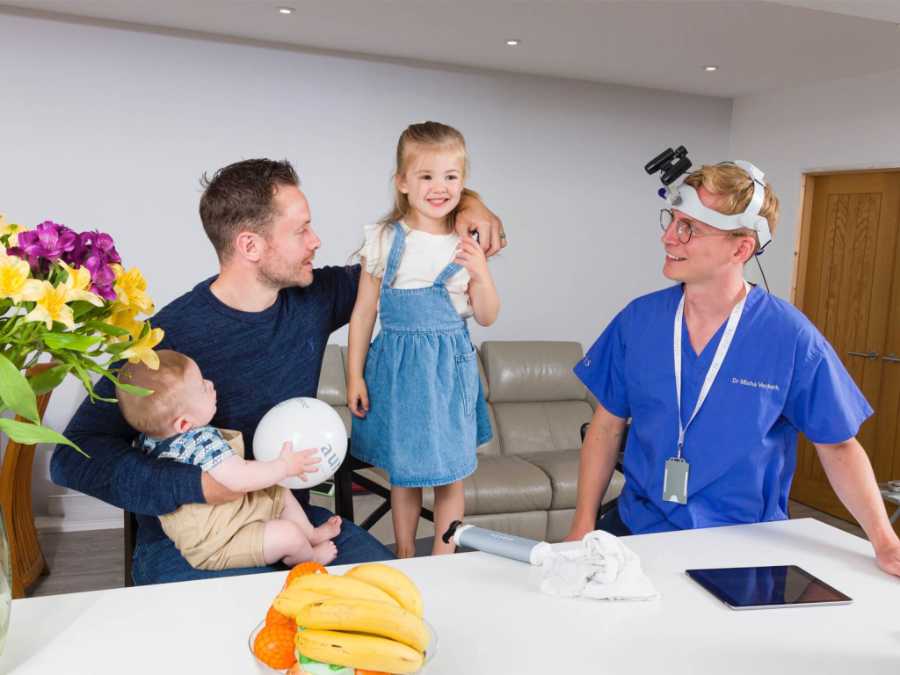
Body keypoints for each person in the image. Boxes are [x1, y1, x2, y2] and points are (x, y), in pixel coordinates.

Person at [51, 157, 506, 584]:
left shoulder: (314, 298)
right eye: (301, 229)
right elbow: (74, 456)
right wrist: (199, 485)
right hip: (195, 541)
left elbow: (405, 262)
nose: (316, 241)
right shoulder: (166, 337)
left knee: (398, 599)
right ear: (250, 245)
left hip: (292, 525)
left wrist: (469, 204)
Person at [565, 160, 900, 578]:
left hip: (744, 547)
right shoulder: (638, 321)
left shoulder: (789, 337)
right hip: (638, 534)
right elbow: (606, 427)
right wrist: (583, 524)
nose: (669, 237)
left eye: (690, 228)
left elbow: (838, 447)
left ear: (741, 249)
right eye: (673, 220)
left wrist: (885, 540)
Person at [347, 122, 499, 557]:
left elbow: (487, 316)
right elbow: (364, 312)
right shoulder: (384, 239)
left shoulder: (466, 242)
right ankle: (406, 554)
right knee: (405, 473)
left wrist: (481, 272)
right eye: (426, 176)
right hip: (397, 371)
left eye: (450, 176)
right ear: (402, 182)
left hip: (448, 371)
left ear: (463, 182)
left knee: (450, 476)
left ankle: (443, 560)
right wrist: (355, 375)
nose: (439, 187)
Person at [117, 350, 341, 569]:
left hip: (234, 513)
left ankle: (311, 534)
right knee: (288, 534)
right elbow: (240, 478)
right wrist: (285, 466)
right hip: (218, 543)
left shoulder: (152, 439)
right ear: (184, 424)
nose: (210, 384)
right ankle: (308, 558)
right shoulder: (201, 443)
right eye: (202, 387)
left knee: (278, 489)